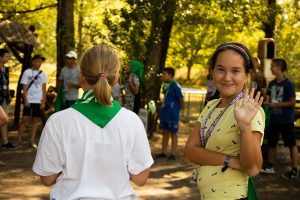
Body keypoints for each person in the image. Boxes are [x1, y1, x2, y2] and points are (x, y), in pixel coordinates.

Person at [32, 44, 153, 199]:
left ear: (81, 77)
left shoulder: (58, 121)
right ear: (115, 80)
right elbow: (141, 179)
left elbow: (47, 178)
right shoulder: (132, 121)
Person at [184, 42, 265, 200]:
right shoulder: (211, 105)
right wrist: (228, 160)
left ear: (247, 75)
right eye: (221, 69)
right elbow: (189, 152)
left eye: (235, 71)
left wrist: (245, 126)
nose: (227, 78)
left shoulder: (250, 110)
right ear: (212, 71)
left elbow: (253, 168)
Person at [261, 58, 299, 180]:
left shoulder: (288, 84)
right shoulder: (271, 84)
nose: (271, 68)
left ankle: (294, 169)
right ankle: (270, 166)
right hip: (274, 120)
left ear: (280, 68)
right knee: (272, 143)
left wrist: (276, 105)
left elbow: (292, 102)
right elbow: (268, 99)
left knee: (291, 144)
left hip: (286, 121)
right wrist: (264, 95)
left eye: (273, 66)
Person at [16, 54, 47, 149]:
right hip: (29, 100)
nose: (39, 63)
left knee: (35, 121)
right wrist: (26, 100)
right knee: (24, 120)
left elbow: (44, 89)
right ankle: (19, 140)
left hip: (38, 100)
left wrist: (43, 102)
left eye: (41, 61)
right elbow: (24, 88)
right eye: (37, 61)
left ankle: (32, 141)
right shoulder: (27, 72)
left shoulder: (43, 74)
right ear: (33, 61)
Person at [156, 67, 184, 161]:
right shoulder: (166, 85)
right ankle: (163, 152)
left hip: (173, 113)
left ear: (170, 75)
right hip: (165, 112)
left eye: (165, 74)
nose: (163, 76)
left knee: (173, 133)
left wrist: (177, 109)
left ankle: (173, 153)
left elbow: (181, 99)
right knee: (165, 132)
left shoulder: (176, 86)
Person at [0, 48, 14, 149]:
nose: (8, 58)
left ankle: (5, 141)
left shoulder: (6, 70)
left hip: (5, 97)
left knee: (5, 119)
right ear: (0, 57)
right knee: (3, 119)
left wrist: (9, 95)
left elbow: (7, 84)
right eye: (6, 56)